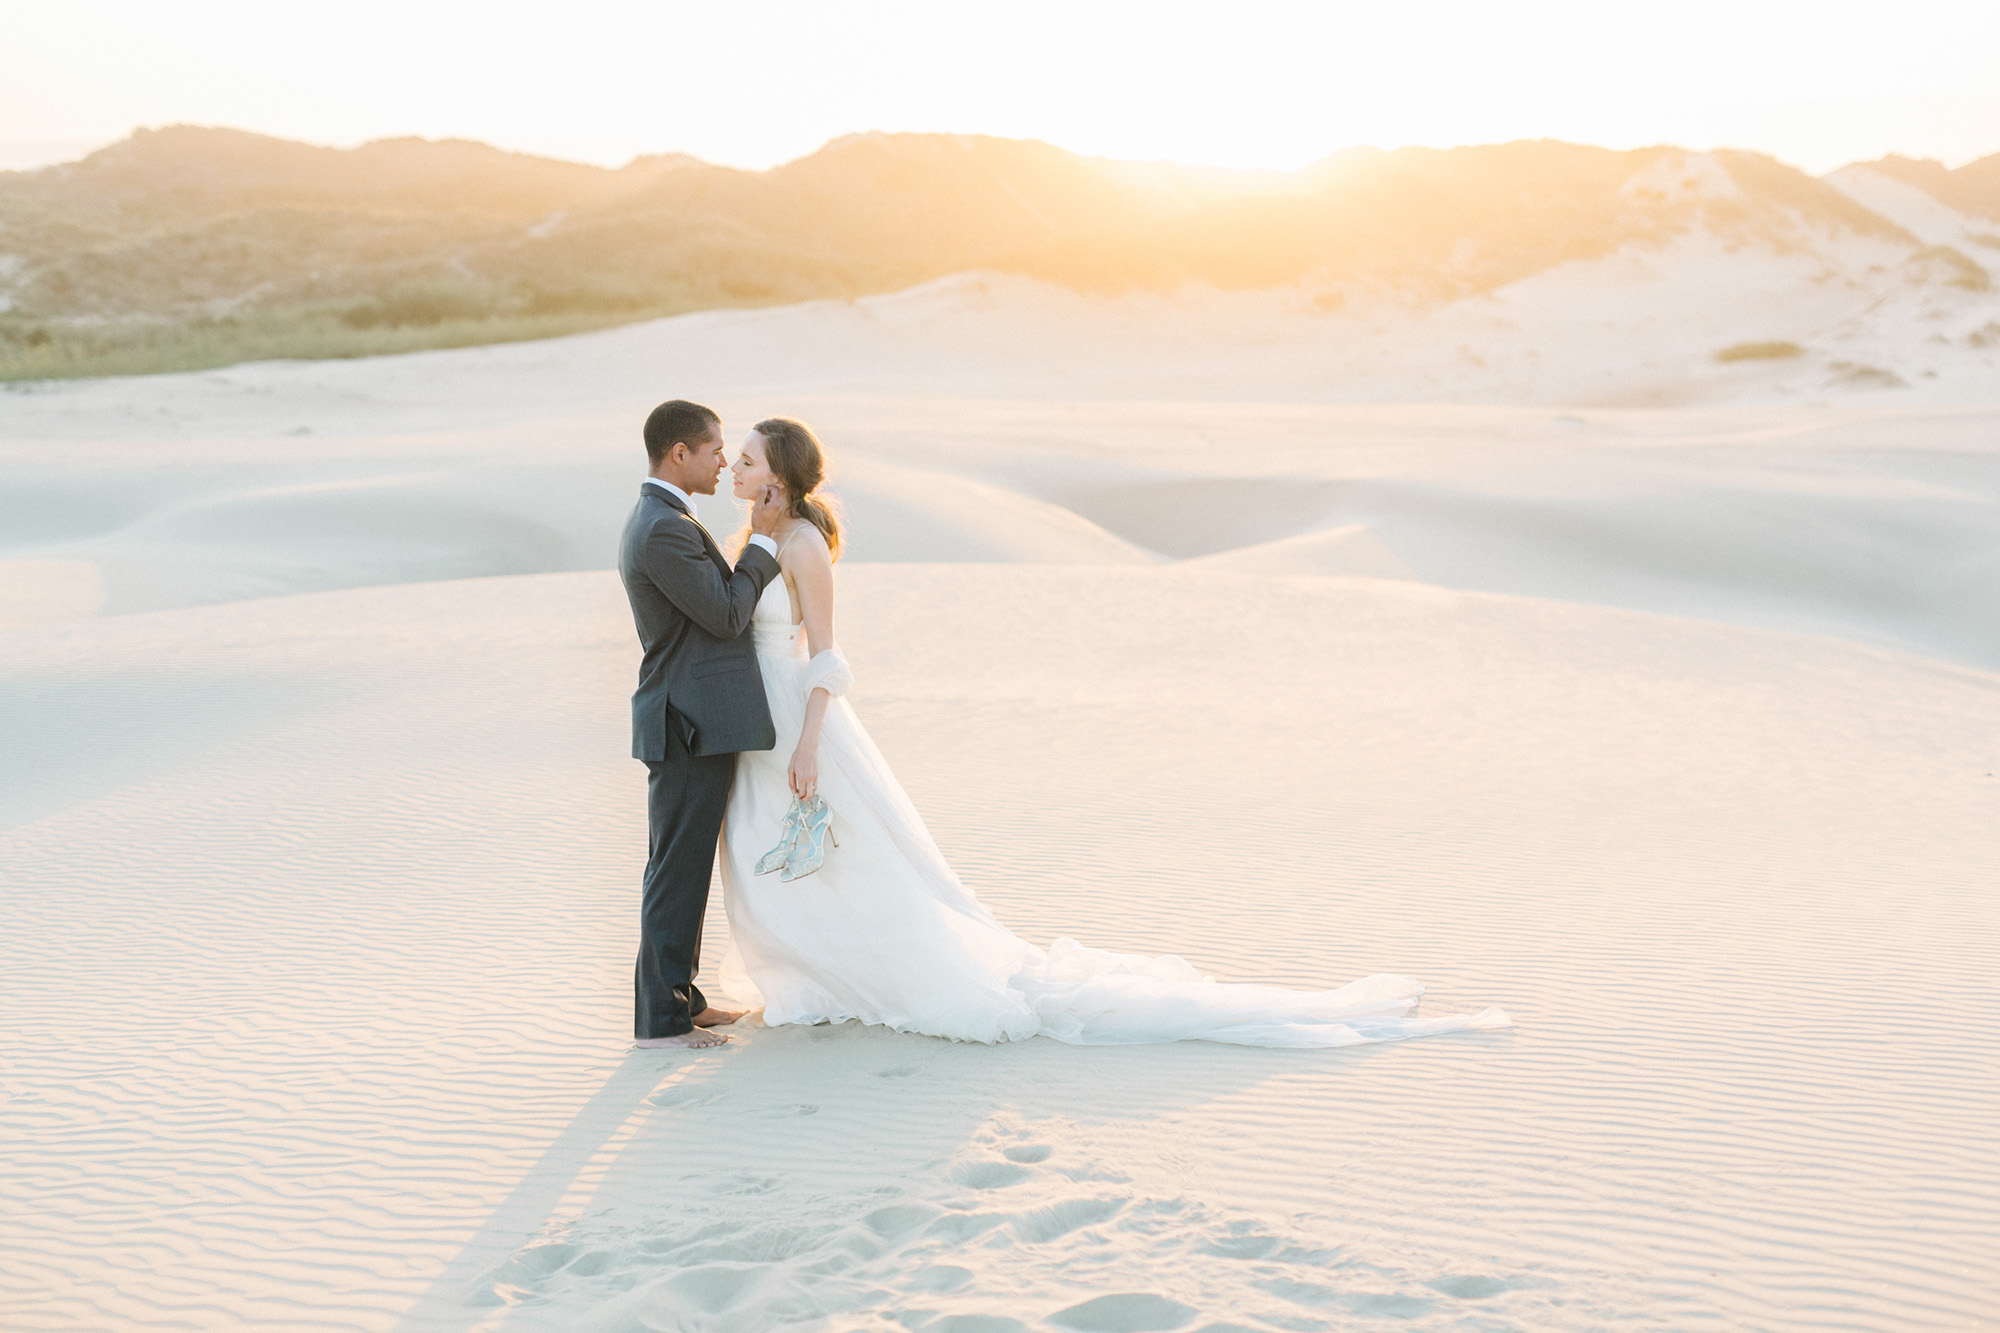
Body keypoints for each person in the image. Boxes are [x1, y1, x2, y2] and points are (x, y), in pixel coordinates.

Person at [713, 417, 1510, 1047]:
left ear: (776, 475)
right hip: (761, 725)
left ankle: (866, 979)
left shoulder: (805, 544)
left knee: (849, 860)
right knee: (780, 859)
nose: (737, 469)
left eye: (746, 458)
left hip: (799, 724)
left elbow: (827, 656)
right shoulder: (760, 535)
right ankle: (806, 977)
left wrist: (813, 741)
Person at [617, 400, 787, 1050]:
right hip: (684, 721)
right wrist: (764, 543)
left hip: (688, 716)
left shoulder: (666, 517)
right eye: (716, 449)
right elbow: (723, 614)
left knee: (680, 865)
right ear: (678, 454)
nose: (724, 461)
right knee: (674, 869)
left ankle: (681, 999)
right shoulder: (661, 527)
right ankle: (662, 1020)